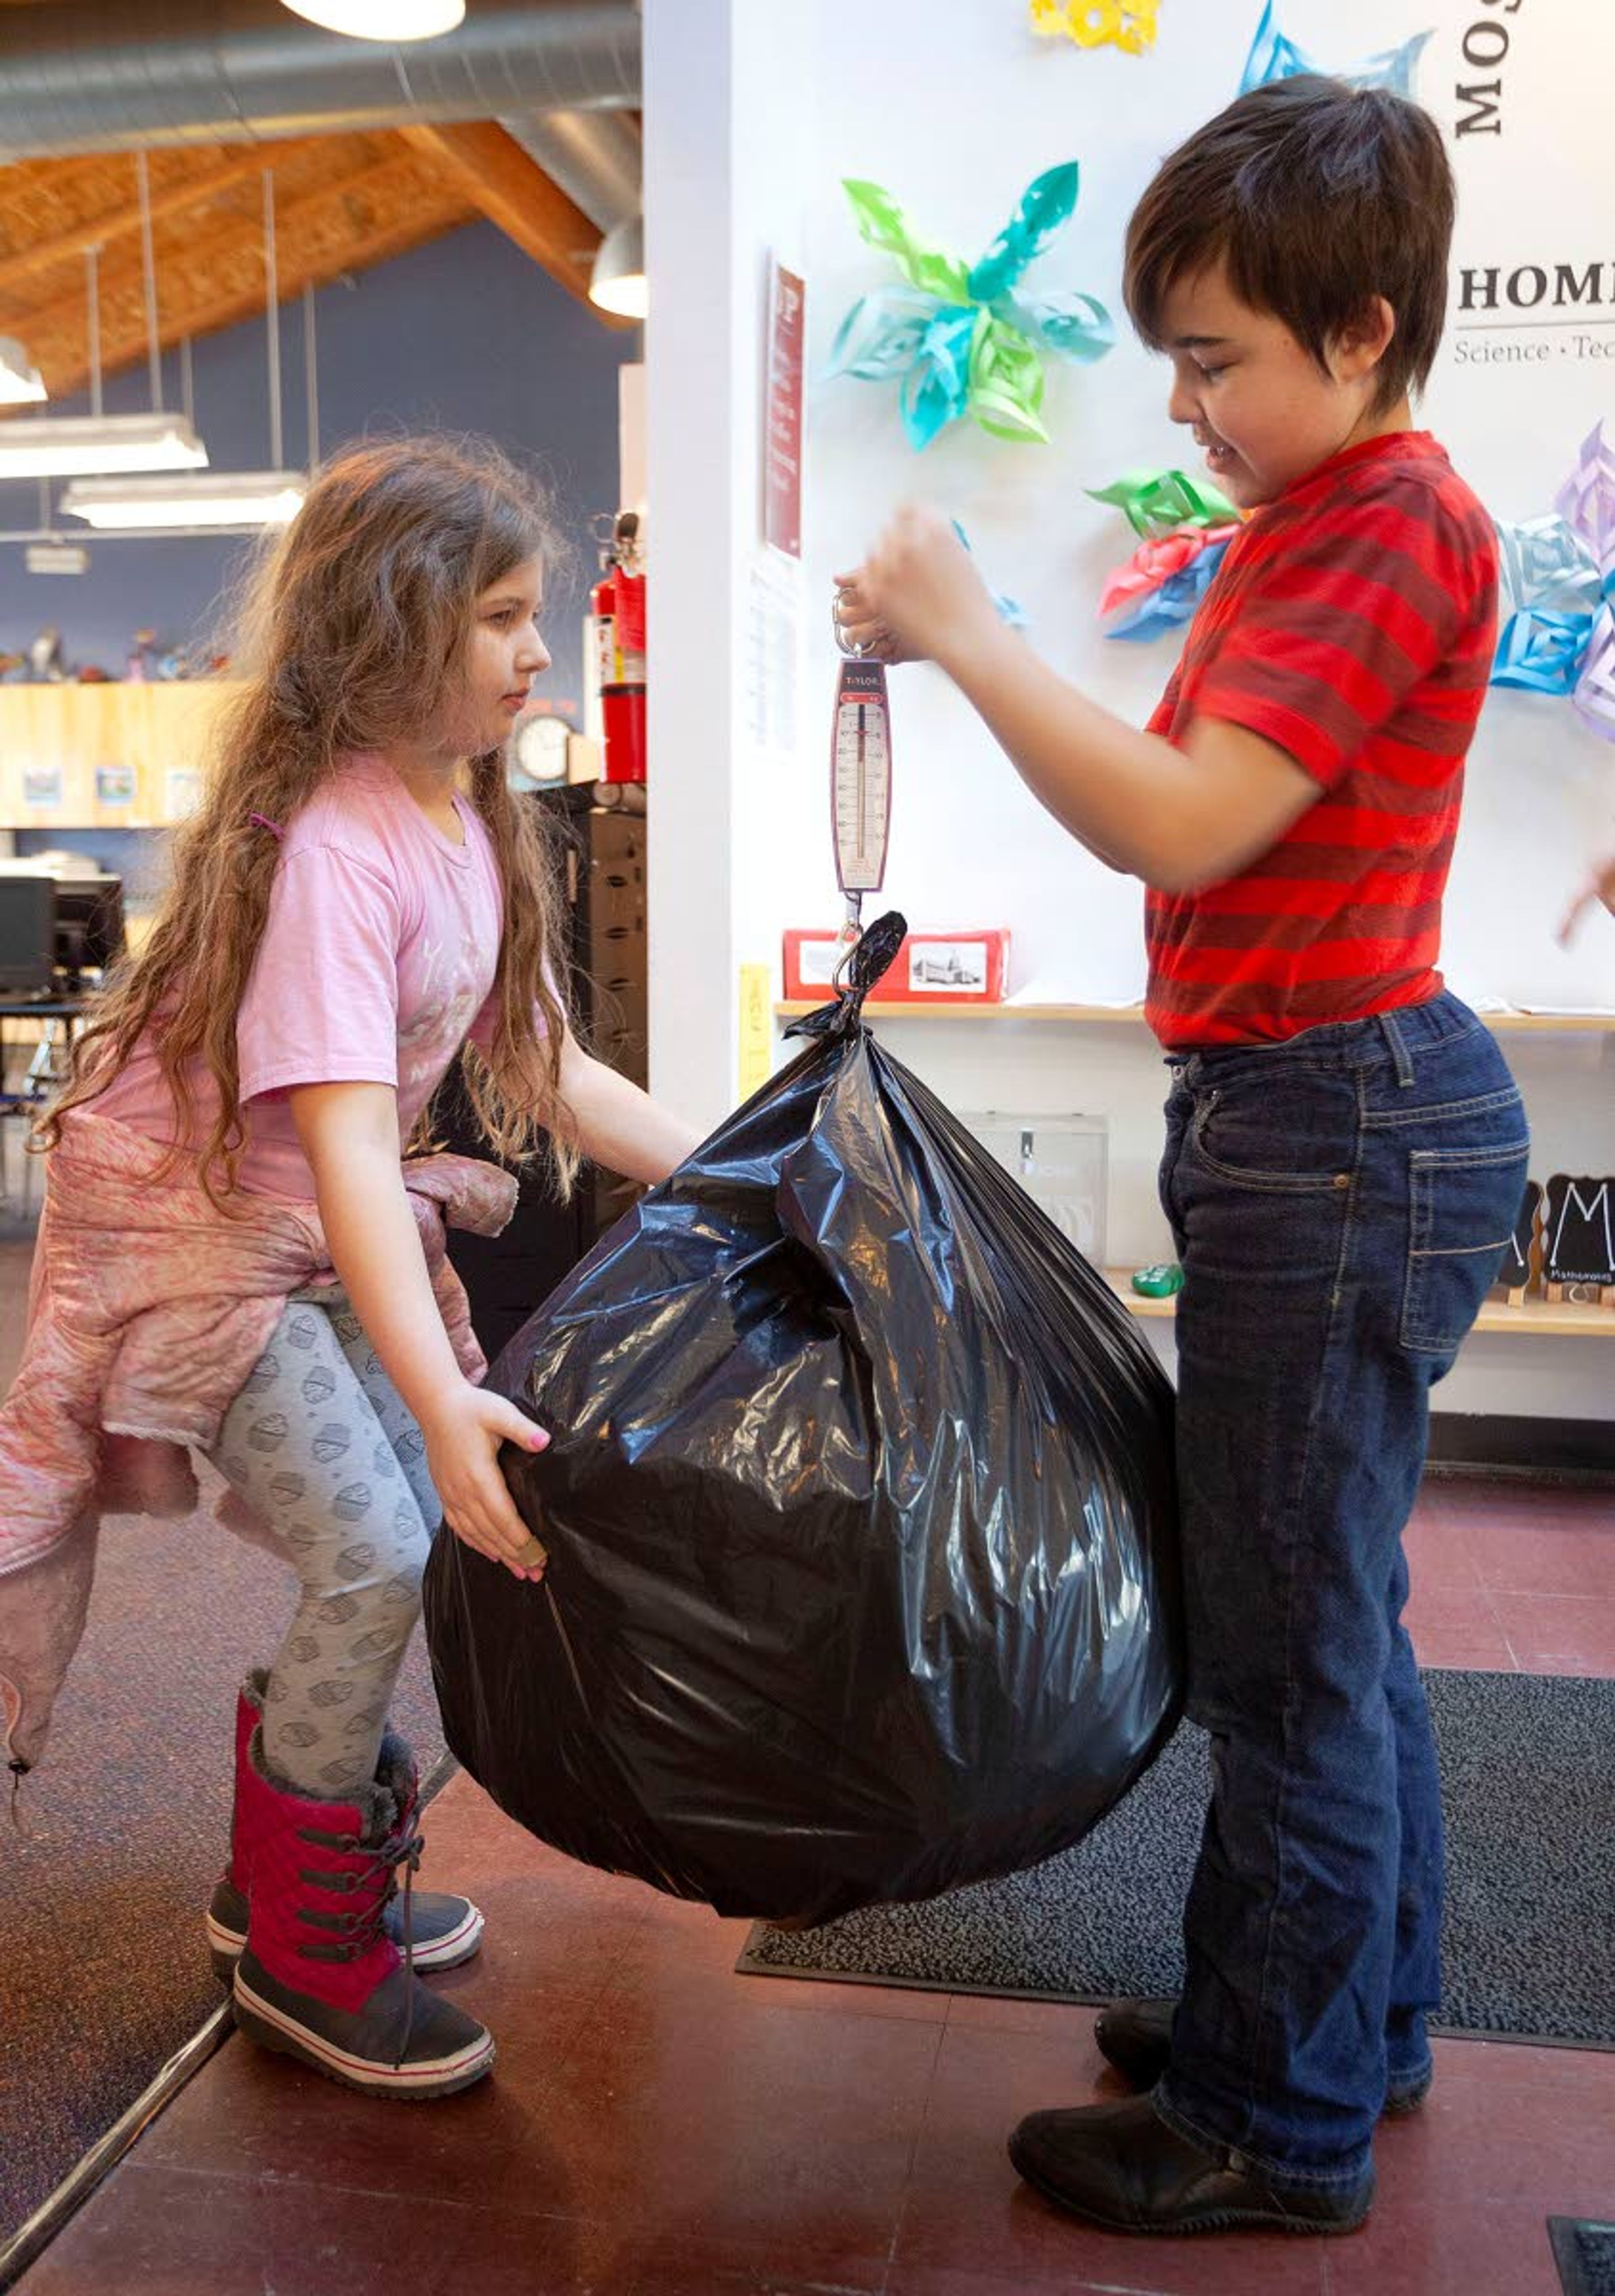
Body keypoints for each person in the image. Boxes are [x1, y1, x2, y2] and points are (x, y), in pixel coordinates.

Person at [837, 78, 1529, 2236]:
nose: (1194, 404)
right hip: (1307, 1111)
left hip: (1338, 1125)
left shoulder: (1396, 521)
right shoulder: (1304, 529)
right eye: (1175, 361)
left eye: (1221, 359)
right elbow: (1192, 802)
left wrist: (973, 638)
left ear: (1366, 329)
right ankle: (1347, 2025)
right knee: (1335, 1623)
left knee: (1287, 1654)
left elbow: (1184, 820)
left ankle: (1269, 2117)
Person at [0, 436, 700, 2100]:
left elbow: (542, 1069)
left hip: (311, 1235)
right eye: (506, 618)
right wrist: (447, 1391)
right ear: (395, 632)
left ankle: (280, 1875)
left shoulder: (460, 816)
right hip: (204, 1260)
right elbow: (335, 1151)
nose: (544, 650)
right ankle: (312, 1956)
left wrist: (749, 1177)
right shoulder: (331, 850)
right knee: (384, 1547)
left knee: (403, 1547)